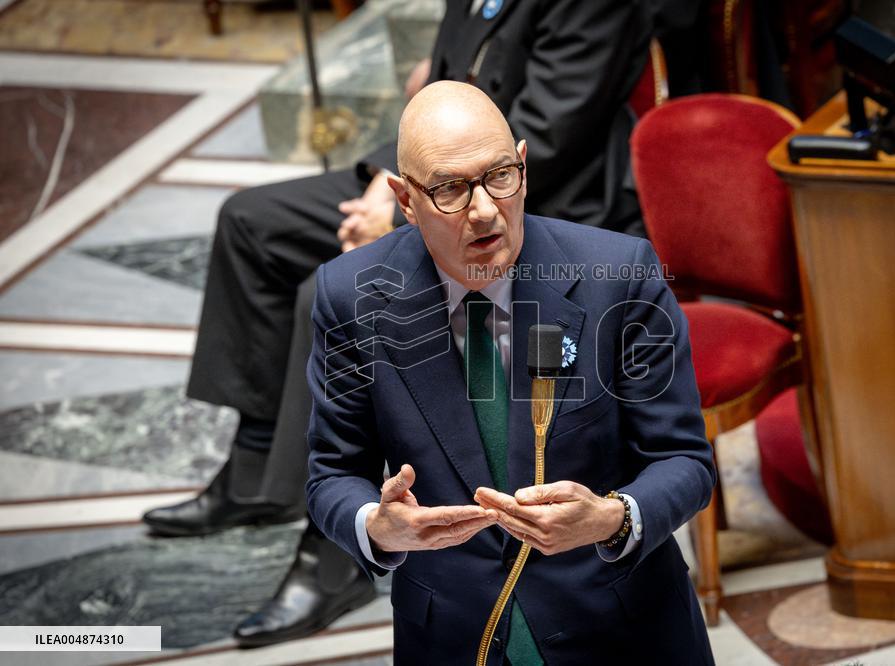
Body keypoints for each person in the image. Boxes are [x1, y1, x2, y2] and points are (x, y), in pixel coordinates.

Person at [142, 0, 652, 648]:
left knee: (332, 294)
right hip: (432, 189)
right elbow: (441, 94)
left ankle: (330, 560)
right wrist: (387, 184)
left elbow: (549, 133)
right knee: (251, 223)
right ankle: (252, 470)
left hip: (537, 195)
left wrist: (402, 217)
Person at [306, 81, 716, 664]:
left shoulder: (619, 275)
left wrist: (610, 518)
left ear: (523, 166)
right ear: (405, 199)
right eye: (450, 189)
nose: (483, 210)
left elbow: (685, 460)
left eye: (500, 176)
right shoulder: (351, 297)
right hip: (453, 635)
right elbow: (331, 474)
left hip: (618, 627)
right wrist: (377, 525)